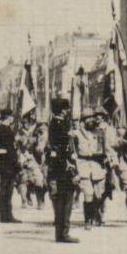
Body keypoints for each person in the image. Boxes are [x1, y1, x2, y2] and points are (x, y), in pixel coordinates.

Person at [45, 97, 80, 243]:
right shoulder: (59, 125)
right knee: (66, 199)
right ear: (62, 110)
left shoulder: (56, 123)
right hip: (63, 166)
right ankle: (63, 232)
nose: (68, 111)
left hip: (58, 166)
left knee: (62, 199)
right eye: (66, 109)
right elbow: (62, 147)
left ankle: (61, 232)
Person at [0, 107, 20, 223]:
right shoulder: (4, 130)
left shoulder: (3, 129)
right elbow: (8, 148)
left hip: (6, 163)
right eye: (11, 117)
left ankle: (6, 215)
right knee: (7, 190)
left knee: (7, 190)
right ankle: (6, 215)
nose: (13, 119)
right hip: (7, 163)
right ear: (8, 117)